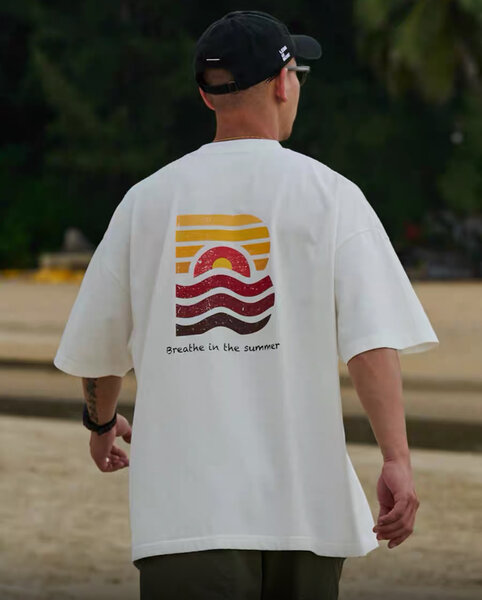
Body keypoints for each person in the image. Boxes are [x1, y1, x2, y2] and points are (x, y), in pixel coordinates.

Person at [53, 10, 439, 600]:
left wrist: (101, 424)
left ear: (206, 96)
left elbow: (101, 348)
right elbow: (370, 342)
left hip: (186, 517)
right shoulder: (332, 195)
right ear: (284, 83)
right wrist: (396, 459)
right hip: (306, 513)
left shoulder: (145, 202)